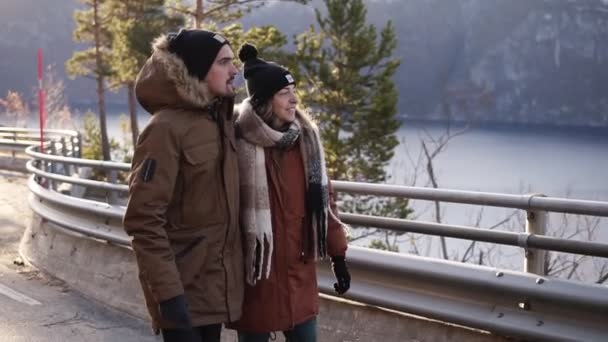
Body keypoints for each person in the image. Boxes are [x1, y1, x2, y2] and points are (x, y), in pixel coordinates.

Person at [123, 28, 244, 342]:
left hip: (213, 290)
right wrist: (168, 296)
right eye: (224, 63)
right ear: (198, 70)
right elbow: (143, 220)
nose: (234, 70)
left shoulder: (220, 122)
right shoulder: (164, 129)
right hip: (182, 294)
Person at [230, 43, 351, 342]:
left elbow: (327, 203)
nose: (294, 99)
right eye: (284, 93)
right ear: (264, 101)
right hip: (256, 276)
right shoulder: (236, 141)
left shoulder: (307, 143)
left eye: (294, 91)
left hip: (299, 273)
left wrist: (339, 256)